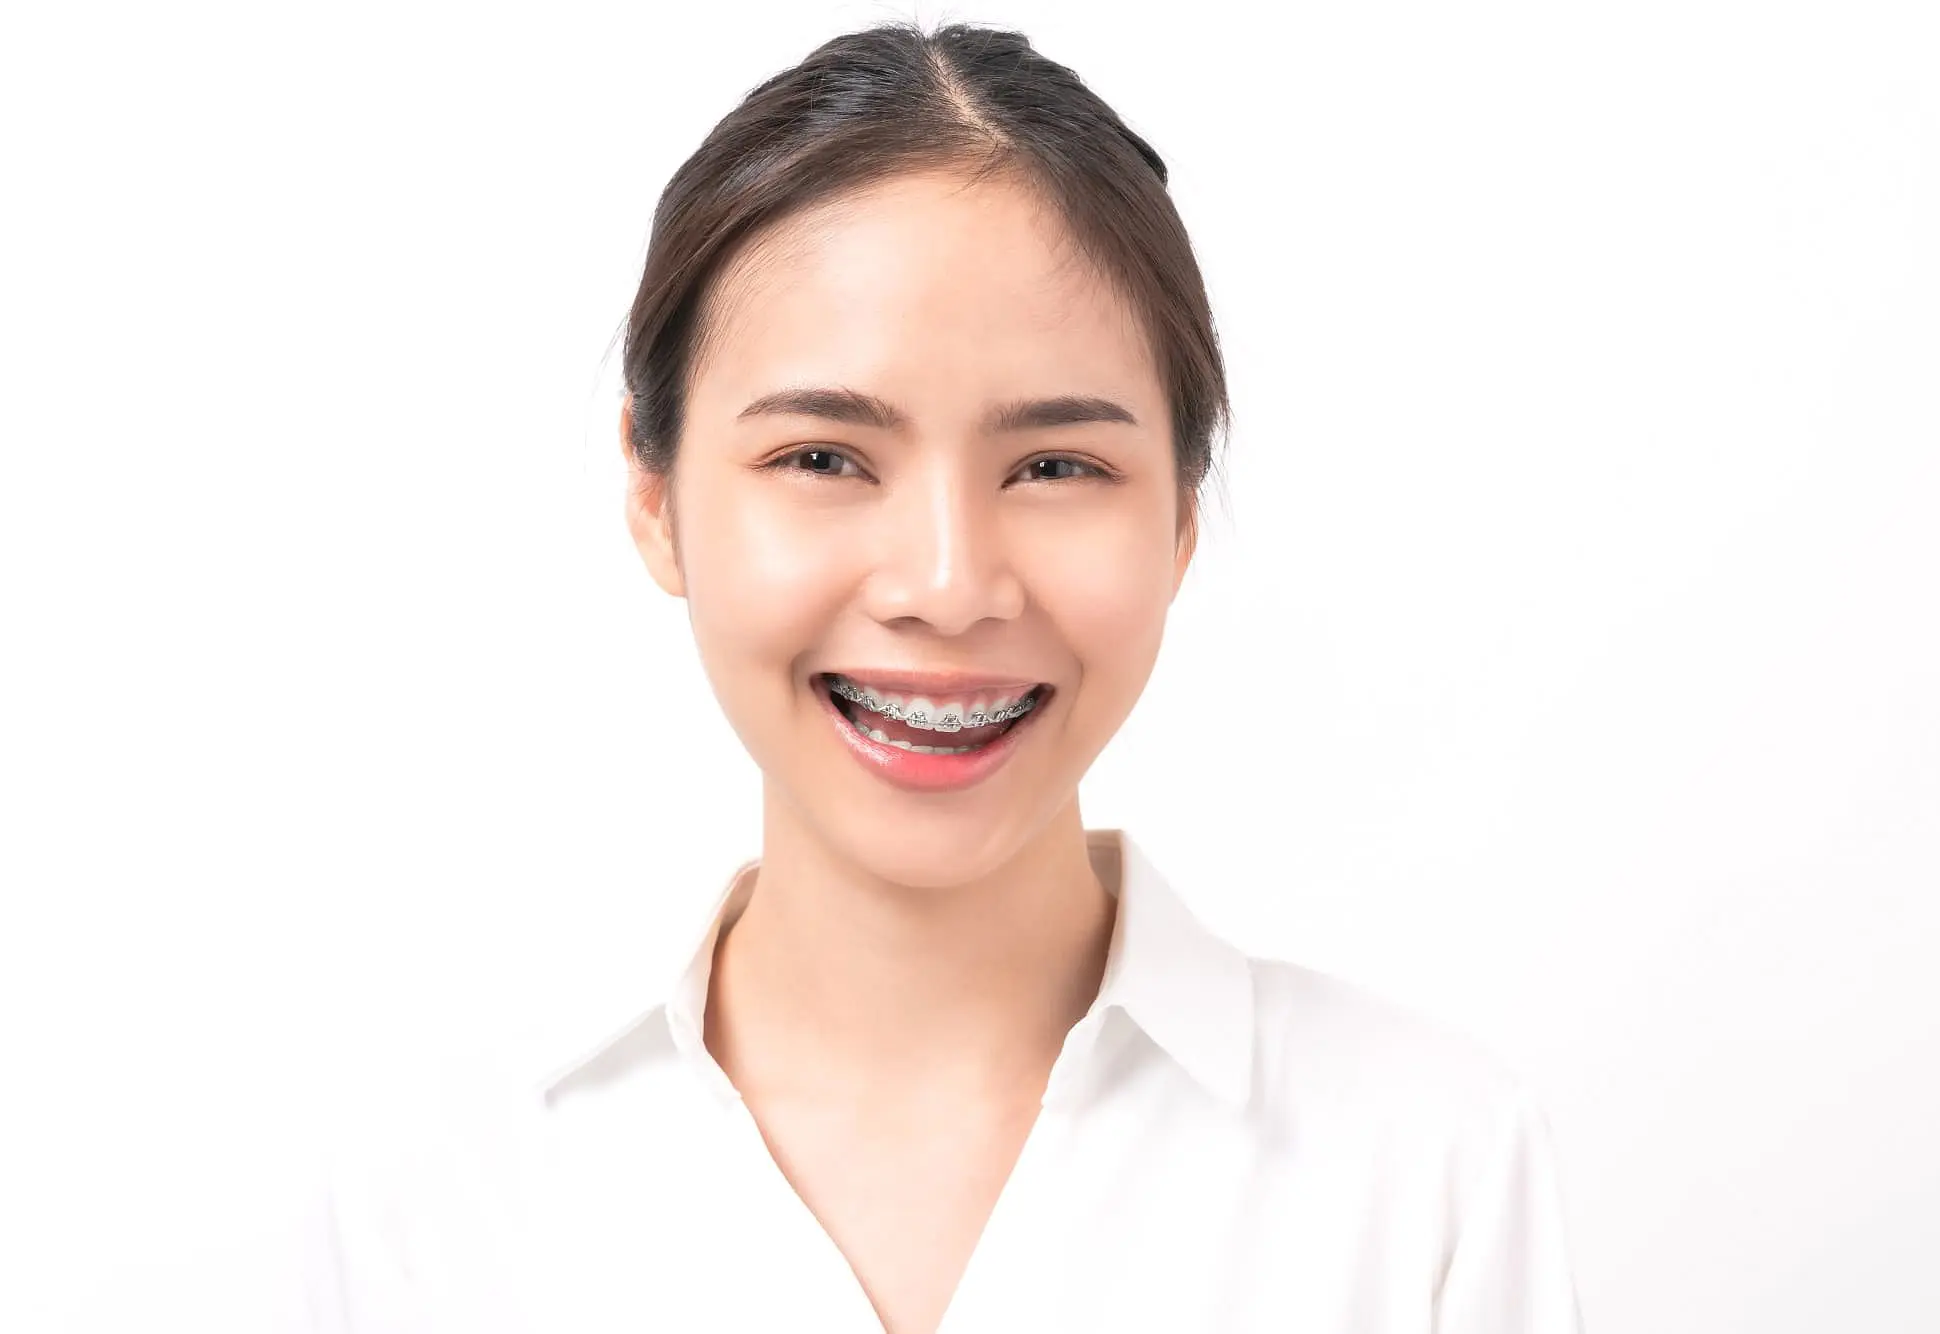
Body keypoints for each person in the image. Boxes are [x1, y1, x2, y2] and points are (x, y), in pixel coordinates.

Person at [306, 21, 1583, 1333]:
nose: (948, 581)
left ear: (1182, 515)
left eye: (1055, 466)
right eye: (823, 457)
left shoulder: (1429, 1169)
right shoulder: (444, 1194)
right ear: (652, 488)